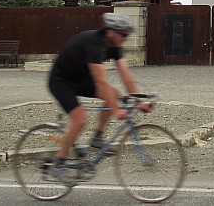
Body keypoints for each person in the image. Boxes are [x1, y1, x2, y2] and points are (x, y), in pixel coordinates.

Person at [47, 12, 150, 178]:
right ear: (110, 32)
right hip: (61, 81)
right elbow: (101, 81)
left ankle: (97, 138)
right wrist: (115, 110)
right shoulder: (93, 43)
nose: (126, 39)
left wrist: (138, 102)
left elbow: (126, 75)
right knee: (80, 120)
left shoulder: (115, 46)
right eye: (123, 34)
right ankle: (59, 161)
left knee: (114, 93)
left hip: (81, 79)